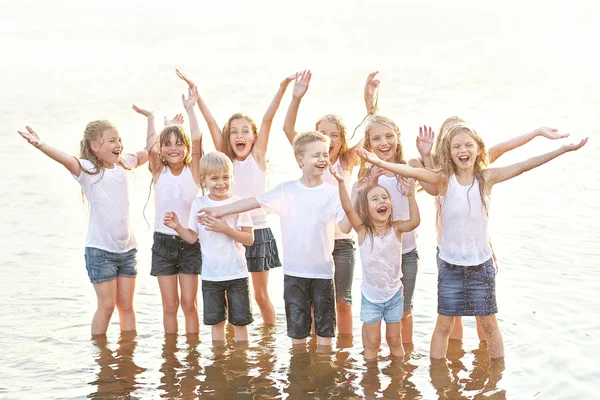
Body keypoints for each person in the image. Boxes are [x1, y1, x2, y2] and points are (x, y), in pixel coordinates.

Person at [355, 124, 588, 360]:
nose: (462, 150)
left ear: (478, 150)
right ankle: (440, 386)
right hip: (450, 266)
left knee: (489, 324)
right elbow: (408, 171)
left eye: (468, 145)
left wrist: (562, 150)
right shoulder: (443, 179)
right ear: (448, 152)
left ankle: (497, 382)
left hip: (481, 267)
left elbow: (523, 165)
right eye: (456, 146)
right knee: (443, 326)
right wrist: (379, 163)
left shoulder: (487, 178)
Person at [198, 132, 346, 348]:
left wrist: (345, 190)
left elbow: (347, 226)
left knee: (325, 335)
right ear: (300, 160)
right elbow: (252, 202)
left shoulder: (333, 193)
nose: (323, 159)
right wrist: (218, 211)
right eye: (316, 155)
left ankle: (324, 376)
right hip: (294, 274)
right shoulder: (287, 189)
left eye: (326, 154)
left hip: (323, 274)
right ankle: (300, 375)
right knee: (298, 337)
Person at [176, 69, 292, 325]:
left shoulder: (257, 157)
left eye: (245, 131)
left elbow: (268, 119)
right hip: (227, 228)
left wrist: (282, 89)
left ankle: (267, 341)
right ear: (228, 138)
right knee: (231, 293)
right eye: (234, 132)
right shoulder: (225, 162)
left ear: (254, 137)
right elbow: (212, 125)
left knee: (260, 296)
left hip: (257, 231)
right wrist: (198, 97)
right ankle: (229, 343)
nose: (240, 136)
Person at [18, 121, 148, 335]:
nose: (119, 144)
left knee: (126, 307)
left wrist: (151, 118)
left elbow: (149, 149)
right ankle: (102, 361)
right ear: (95, 145)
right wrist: (40, 144)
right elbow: (65, 159)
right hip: (101, 252)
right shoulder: (88, 170)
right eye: (112, 140)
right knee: (106, 307)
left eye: (120, 140)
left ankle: (127, 358)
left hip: (127, 251)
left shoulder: (124, 164)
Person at [282, 70, 369, 335]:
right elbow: (287, 128)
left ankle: (341, 356)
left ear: (343, 140)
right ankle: (310, 356)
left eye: (335, 135)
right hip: (312, 244)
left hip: (341, 244)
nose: (329, 139)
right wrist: (296, 97)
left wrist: (369, 101)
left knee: (342, 302)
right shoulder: (310, 158)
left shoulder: (348, 160)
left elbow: (373, 130)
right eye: (322, 133)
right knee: (310, 306)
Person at [131, 86, 203, 334]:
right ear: (162, 149)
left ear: (184, 147)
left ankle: (193, 356)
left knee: (189, 305)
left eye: (178, 143)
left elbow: (197, 140)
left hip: (190, 243)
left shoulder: (193, 171)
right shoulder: (158, 171)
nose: (173, 148)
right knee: (170, 306)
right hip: (163, 244)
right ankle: (170, 357)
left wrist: (191, 110)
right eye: (168, 144)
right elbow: (150, 148)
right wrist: (151, 120)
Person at [163, 151, 254, 342]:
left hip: (237, 274)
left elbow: (249, 239)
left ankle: (242, 366)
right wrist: (178, 227)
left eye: (226, 177)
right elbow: (192, 238)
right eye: (214, 178)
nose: (221, 183)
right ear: (203, 181)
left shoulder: (238, 204)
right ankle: (219, 363)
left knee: (240, 324)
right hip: (211, 276)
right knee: (216, 324)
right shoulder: (199, 203)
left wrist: (225, 228)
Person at [331, 164, 420, 360]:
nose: (382, 201)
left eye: (385, 198)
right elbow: (347, 206)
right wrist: (341, 183)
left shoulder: (396, 229)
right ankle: (370, 383)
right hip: (371, 298)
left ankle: (397, 380)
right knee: (372, 343)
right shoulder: (363, 231)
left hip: (394, 295)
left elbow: (414, 222)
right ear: (365, 208)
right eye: (375, 199)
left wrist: (411, 195)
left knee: (394, 340)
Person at [358, 114, 421, 345]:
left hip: (407, 252)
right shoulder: (367, 173)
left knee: (405, 310)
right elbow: (360, 214)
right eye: (376, 139)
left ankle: (404, 360)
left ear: (398, 138)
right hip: (378, 255)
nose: (384, 143)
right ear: (369, 144)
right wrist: (372, 180)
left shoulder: (409, 167)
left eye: (389, 136)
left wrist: (425, 155)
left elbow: (434, 183)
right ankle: (370, 358)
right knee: (372, 311)